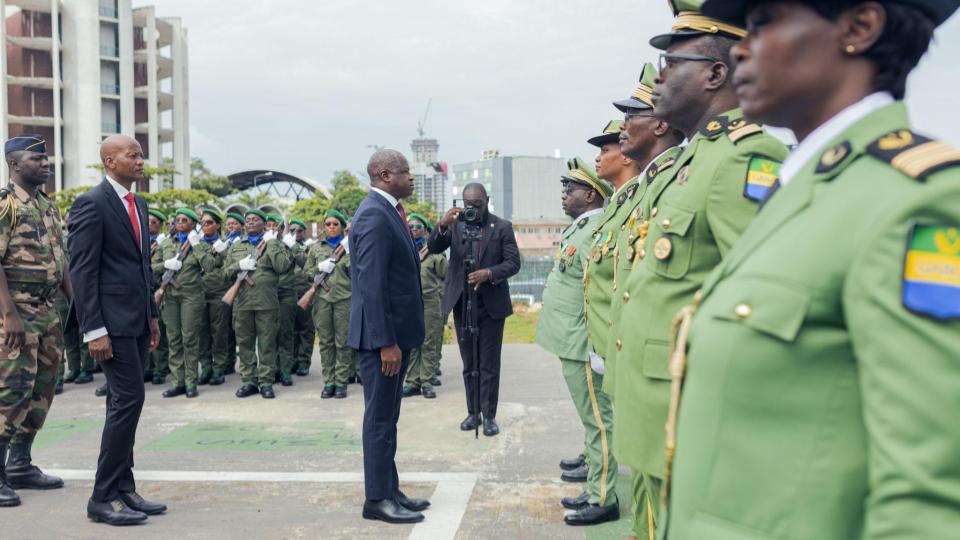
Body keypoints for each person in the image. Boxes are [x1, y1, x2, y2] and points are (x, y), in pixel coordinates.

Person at [661, 1, 960, 538]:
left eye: (763, 23)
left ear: (859, 27)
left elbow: (930, 490)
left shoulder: (914, 201)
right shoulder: (803, 188)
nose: (741, 49)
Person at [612, 2, 790, 537]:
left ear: (715, 73)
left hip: (690, 417)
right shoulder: (695, 159)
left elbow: (762, 306)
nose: (659, 78)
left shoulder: (743, 157)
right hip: (659, 409)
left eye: (673, 64)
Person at [68, 134, 164, 526]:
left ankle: (124, 488)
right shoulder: (91, 204)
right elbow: (82, 271)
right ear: (110, 160)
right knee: (128, 401)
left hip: (137, 320)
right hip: (110, 324)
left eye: (141, 154)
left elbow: (142, 268)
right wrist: (94, 330)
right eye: (132, 155)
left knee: (124, 404)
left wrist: (152, 316)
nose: (141, 160)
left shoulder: (136, 203)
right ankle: (102, 497)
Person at [536, 158, 619, 526]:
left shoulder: (595, 228)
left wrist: (598, 344)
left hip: (582, 342)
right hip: (570, 340)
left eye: (570, 189)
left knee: (599, 421)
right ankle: (594, 485)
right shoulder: (580, 228)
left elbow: (598, 289)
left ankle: (604, 497)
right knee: (592, 419)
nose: (564, 194)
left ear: (590, 194)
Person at [348, 149, 429, 524]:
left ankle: (389, 488)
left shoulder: (389, 211)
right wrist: (386, 342)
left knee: (388, 418)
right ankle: (376, 499)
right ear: (383, 175)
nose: (410, 177)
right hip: (382, 340)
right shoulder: (373, 216)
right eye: (404, 172)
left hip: (394, 336)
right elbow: (372, 286)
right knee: (379, 420)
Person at [0, 135, 69, 507]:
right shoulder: (4, 205)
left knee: (42, 390)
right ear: (14, 163)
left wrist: (80, 304)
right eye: (36, 158)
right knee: (11, 392)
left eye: (46, 159)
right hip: (16, 315)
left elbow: (63, 260)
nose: (45, 164)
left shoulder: (48, 206)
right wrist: (9, 314)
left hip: (47, 312)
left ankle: (20, 464)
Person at [428, 183, 521, 437]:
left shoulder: (502, 227)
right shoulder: (456, 225)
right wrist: (443, 224)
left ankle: (489, 415)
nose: (472, 210)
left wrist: (489, 273)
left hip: (490, 305)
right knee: (469, 363)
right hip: (462, 302)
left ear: (487, 201)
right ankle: (473, 413)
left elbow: (513, 263)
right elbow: (433, 247)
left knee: (489, 364)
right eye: (468, 205)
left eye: (477, 205)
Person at [222, 208, 294, 399]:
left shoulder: (272, 243)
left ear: (264, 223)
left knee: (267, 345)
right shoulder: (236, 246)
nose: (251, 222)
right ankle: (249, 381)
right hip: (243, 302)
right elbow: (224, 274)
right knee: (244, 344)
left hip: (266, 303)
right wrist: (239, 265)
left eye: (255, 219)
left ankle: (266, 382)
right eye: (248, 220)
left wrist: (271, 243)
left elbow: (282, 267)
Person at [152, 208, 215, 399]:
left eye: (184, 219)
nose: (179, 222)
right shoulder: (166, 244)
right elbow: (150, 266)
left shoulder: (199, 243)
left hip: (191, 297)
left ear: (193, 224)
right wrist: (166, 264)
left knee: (189, 339)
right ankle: (177, 382)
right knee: (174, 339)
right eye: (177, 219)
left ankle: (190, 382)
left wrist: (196, 245)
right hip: (170, 295)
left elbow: (210, 266)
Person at [305, 209, 355, 398]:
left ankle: (341, 382)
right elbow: (306, 272)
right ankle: (328, 382)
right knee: (325, 343)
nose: (331, 227)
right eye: (328, 224)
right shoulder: (316, 248)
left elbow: (357, 274)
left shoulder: (349, 248)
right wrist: (319, 267)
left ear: (342, 227)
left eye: (335, 224)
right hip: (322, 300)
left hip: (344, 299)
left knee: (342, 342)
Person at [402, 213, 448, 399]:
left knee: (428, 342)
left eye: (418, 227)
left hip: (430, 302)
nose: (414, 230)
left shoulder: (435, 252)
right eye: (411, 226)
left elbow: (446, 275)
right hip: (410, 302)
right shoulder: (404, 248)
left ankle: (426, 381)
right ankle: (412, 381)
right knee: (412, 343)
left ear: (425, 231)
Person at [61, 207, 98, 386]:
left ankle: (87, 368)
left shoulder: (89, 238)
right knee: (68, 332)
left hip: (82, 289)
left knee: (84, 330)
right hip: (63, 291)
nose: (71, 222)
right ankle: (74, 367)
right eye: (69, 219)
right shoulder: (59, 239)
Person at [196, 207, 231, 386]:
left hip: (218, 292)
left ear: (217, 225)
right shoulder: (195, 244)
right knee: (202, 332)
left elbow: (228, 267)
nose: (205, 226)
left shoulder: (225, 244)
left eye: (209, 223)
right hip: (199, 292)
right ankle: (206, 368)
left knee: (218, 333)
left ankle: (218, 368)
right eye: (202, 222)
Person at [272, 216, 304, 387]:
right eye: (268, 225)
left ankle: (285, 370)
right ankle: (272, 370)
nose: (272, 228)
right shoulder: (262, 245)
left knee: (285, 333)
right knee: (269, 335)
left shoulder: (290, 244)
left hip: (286, 293)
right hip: (267, 294)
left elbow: (305, 262)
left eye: (275, 226)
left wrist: (292, 245)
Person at [287, 219, 315, 377]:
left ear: (304, 232)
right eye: (292, 230)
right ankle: (293, 360)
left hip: (305, 290)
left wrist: (294, 247)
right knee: (291, 329)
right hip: (289, 291)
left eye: (299, 230)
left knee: (306, 328)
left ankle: (304, 362)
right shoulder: (285, 244)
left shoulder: (310, 247)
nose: (295, 233)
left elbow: (306, 264)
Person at [144, 208, 169, 385]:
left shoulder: (164, 243)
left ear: (160, 226)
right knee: (144, 332)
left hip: (157, 289)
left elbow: (167, 265)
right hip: (142, 290)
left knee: (158, 330)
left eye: (154, 222)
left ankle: (160, 369)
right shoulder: (139, 240)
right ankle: (147, 368)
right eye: (147, 221)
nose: (149, 225)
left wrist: (151, 267)